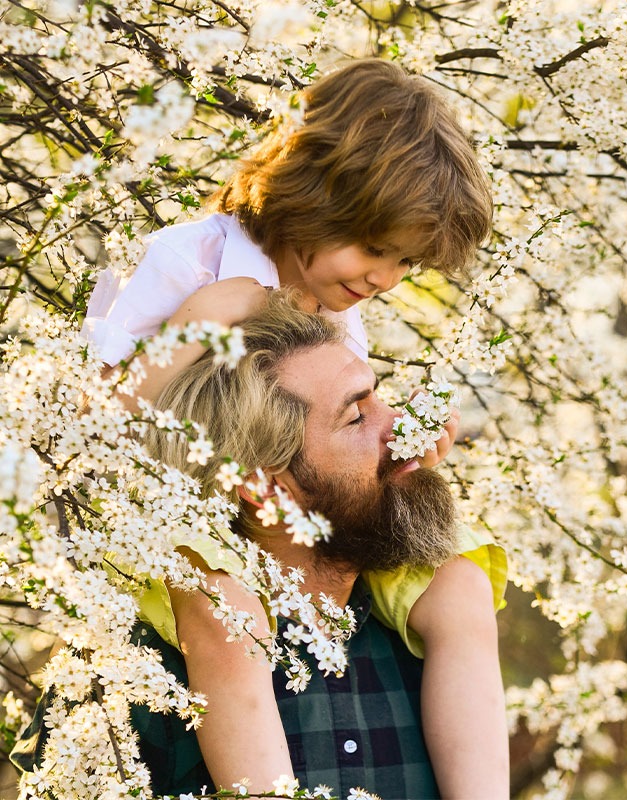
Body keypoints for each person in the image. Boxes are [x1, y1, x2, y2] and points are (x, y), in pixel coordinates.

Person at [81, 59, 508, 798]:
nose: (387, 278)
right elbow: (105, 420)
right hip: (195, 518)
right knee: (227, 620)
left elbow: (338, 421)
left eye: (406, 261)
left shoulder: (336, 303)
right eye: (377, 248)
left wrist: (402, 446)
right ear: (315, 195)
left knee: (461, 586)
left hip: (298, 517)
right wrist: (205, 320)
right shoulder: (194, 263)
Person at [134, 293, 506, 798]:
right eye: (356, 418)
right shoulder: (144, 677)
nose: (404, 429)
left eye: (380, 396)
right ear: (267, 488)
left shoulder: (435, 636)